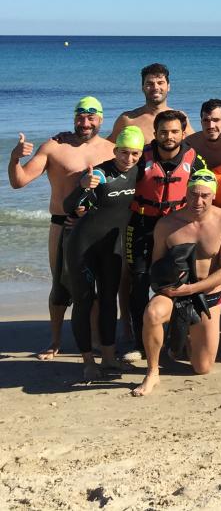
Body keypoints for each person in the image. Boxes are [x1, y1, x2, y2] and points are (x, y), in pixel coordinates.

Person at [8, 96, 115, 359]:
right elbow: (19, 182)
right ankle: (55, 341)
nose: (85, 122)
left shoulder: (112, 150)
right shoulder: (55, 146)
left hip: (99, 227)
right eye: (80, 116)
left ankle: (96, 340)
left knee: (98, 287)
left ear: (101, 119)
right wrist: (14, 159)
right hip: (62, 225)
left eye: (91, 117)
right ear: (74, 118)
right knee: (60, 287)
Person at [130, 167, 221, 397]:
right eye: (193, 194)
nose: (197, 201)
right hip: (175, 292)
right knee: (152, 313)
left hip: (206, 296)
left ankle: (186, 336)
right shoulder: (168, 224)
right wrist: (165, 287)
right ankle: (152, 373)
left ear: (213, 195)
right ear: (186, 193)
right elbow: (156, 265)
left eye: (204, 195)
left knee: (202, 368)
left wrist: (191, 289)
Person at [60, 125, 144, 382]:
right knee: (84, 302)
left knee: (108, 300)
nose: (128, 159)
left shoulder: (139, 173)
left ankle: (108, 358)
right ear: (115, 150)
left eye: (134, 154)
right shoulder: (100, 174)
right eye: (123, 152)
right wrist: (83, 186)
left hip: (112, 247)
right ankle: (88, 361)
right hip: (83, 246)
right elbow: (69, 207)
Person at [127, 109, 201, 359]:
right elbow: (116, 177)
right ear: (155, 133)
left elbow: (207, 191)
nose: (169, 136)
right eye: (163, 132)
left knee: (178, 283)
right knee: (138, 284)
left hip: (176, 227)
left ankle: (178, 340)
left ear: (182, 133)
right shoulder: (140, 157)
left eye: (174, 132)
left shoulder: (194, 159)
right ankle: (139, 342)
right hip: (141, 226)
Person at [108, 63, 193, 142]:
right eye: (150, 84)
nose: (155, 87)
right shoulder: (128, 119)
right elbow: (107, 147)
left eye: (160, 83)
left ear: (168, 87)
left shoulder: (179, 118)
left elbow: (197, 144)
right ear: (143, 88)